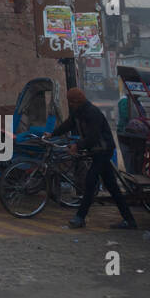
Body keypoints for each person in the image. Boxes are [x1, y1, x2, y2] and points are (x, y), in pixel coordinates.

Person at [49, 87, 137, 230]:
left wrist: (77, 146)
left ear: (77, 101)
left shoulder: (92, 112)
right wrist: (52, 134)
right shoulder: (78, 112)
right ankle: (130, 220)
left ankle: (80, 218)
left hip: (103, 151)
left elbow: (93, 136)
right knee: (112, 187)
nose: (70, 105)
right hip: (96, 152)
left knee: (90, 182)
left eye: (71, 102)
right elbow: (67, 124)